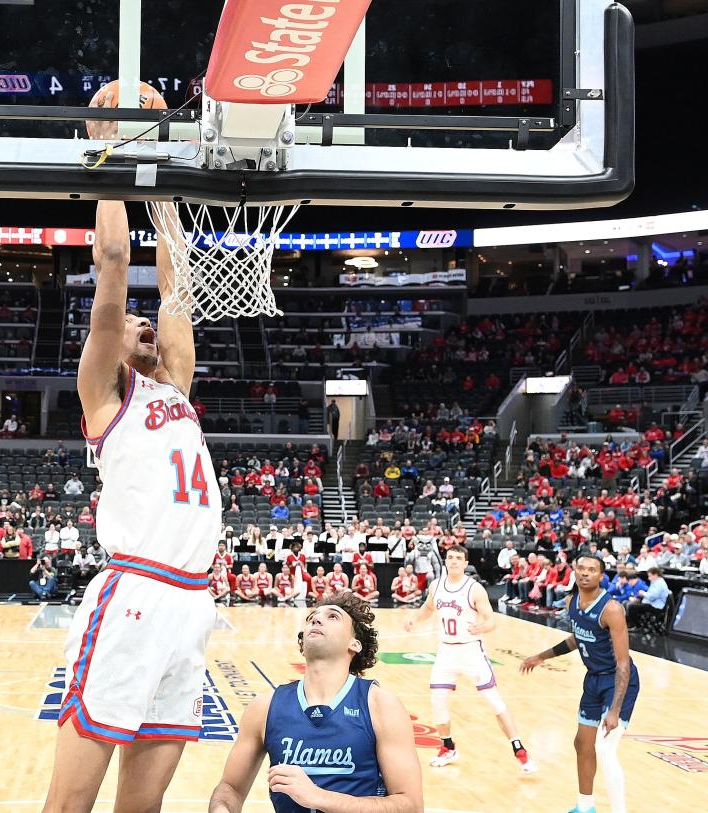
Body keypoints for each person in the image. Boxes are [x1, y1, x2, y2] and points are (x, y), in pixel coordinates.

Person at [42, 196, 221, 813]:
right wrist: (118, 159)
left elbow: (179, 281)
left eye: (150, 321)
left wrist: (165, 189)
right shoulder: (102, 394)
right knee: (70, 805)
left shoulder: (175, 386)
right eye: (133, 321)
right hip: (136, 592)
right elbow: (114, 261)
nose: (146, 323)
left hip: (194, 603)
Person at [208, 592, 424, 813]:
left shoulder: (380, 705)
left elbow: (410, 805)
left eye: (333, 617)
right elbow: (231, 788)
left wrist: (319, 797)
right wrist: (222, 808)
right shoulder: (265, 707)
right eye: (312, 617)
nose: (316, 619)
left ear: (355, 644)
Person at [521, 554, 641, 813]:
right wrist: (541, 656)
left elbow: (623, 664)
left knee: (606, 750)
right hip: (594, 679)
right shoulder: (571, 601)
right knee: (582, 743)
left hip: (618, 681)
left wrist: (615, 710)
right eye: (581, 568)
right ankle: (585, 806)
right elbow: (577, 639)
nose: (585, 573)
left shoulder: (612, 610)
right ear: (575, 571)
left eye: (592, 570)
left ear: (601, 576)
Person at [404, 545, 536, 773]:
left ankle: (520, 750)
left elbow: (491, 620)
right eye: (450, 557)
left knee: (493, 701)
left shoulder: (474, 589)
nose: (453, 561)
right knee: (437, 700)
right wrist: (415, 619)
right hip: (446, 651)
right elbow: (427, 609)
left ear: (465, 563)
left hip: (470, 651)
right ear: (445, 561)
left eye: (458, 558)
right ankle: (448, 747)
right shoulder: (436, 586)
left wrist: (483, 627)